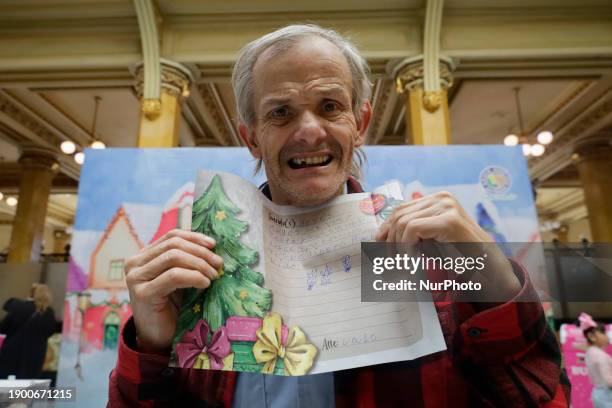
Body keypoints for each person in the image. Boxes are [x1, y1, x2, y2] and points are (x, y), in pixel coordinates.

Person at [109, 24, 570, 407]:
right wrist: (151, 345)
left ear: (360, 122)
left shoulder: (436, 259)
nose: (309, 130)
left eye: (330, 106)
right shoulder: (201, 276)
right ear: (251, 138)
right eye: (281, 113)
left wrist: (493, 276)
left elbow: (543, 399)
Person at [0, 283, 56, 379]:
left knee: (6, 384)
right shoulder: (49, 313)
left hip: (12, 353)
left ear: (31, 294)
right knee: (27, 386)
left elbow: (3, 328)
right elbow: (50, 332)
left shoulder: (19, 307)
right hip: (36, 356)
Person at [579, 313, 612, 407]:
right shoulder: (600, 355)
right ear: (591, 336)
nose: (606, 336)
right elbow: (609, 380)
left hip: (597, 393)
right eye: (603, 333)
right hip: (607, 395)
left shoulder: (590, 352)